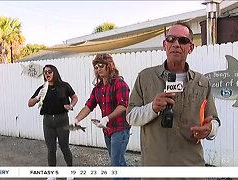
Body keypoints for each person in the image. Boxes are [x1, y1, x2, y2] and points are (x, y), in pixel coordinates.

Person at [126, 23, 220, 169]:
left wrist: (210, 129)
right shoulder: (145, 77)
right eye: (171, 39)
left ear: (191, 47)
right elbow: (130, 116)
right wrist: (152, 108)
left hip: (190, 166)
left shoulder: (202, 82)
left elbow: (213, 120)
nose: (176, 44)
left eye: (182, 40)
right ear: (164, 45)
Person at [74, 53, 131, 172]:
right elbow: (89, 106)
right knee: (118, 162)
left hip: (120, 130)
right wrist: (77, 119)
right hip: (107, 130)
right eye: (96, 67)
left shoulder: (119, 83)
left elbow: (123, 105)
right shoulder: (98, 88)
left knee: (116, 164)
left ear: (109, 66)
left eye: (100, 65)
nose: (98, 69)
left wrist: (107, 118)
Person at [28, 64, 78, 180]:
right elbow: (29, 103)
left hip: (62, 120)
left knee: (64, 147)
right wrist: (37, 98)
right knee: (51, 149)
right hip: (48, 122)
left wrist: (71, 105)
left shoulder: (64, 86)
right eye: (45, 72)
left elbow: (75, 98)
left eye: (49, 71)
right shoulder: (42, 88)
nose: (47, 74)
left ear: (54, 72)